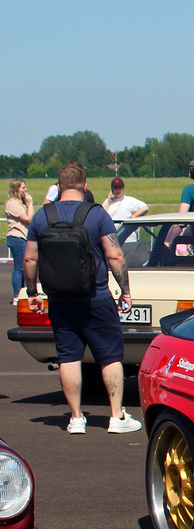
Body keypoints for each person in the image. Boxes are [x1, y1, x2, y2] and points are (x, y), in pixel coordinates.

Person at [23, 163, 140, 434]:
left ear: (59, 186)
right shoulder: (96, 214)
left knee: (68, 356)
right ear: (84, 186)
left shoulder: (42, 216)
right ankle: (116, 416)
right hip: (95, 296)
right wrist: (125, 290)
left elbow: (29, 259)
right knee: (110, 356)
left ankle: (76, 418)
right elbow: (114, 255)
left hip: (60, 298)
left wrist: (32, 293)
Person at [6, 179, 35, 304]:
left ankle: (23, 293)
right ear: (16, 189)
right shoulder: (12, 204)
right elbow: (28, 219)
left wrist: (28, 204)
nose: (25, 190)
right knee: (19, 268)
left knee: (25, 268)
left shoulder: (20, 203)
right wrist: (30, 203)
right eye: (23, 188)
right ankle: (17, 295)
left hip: (25, 237)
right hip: (17, 237)